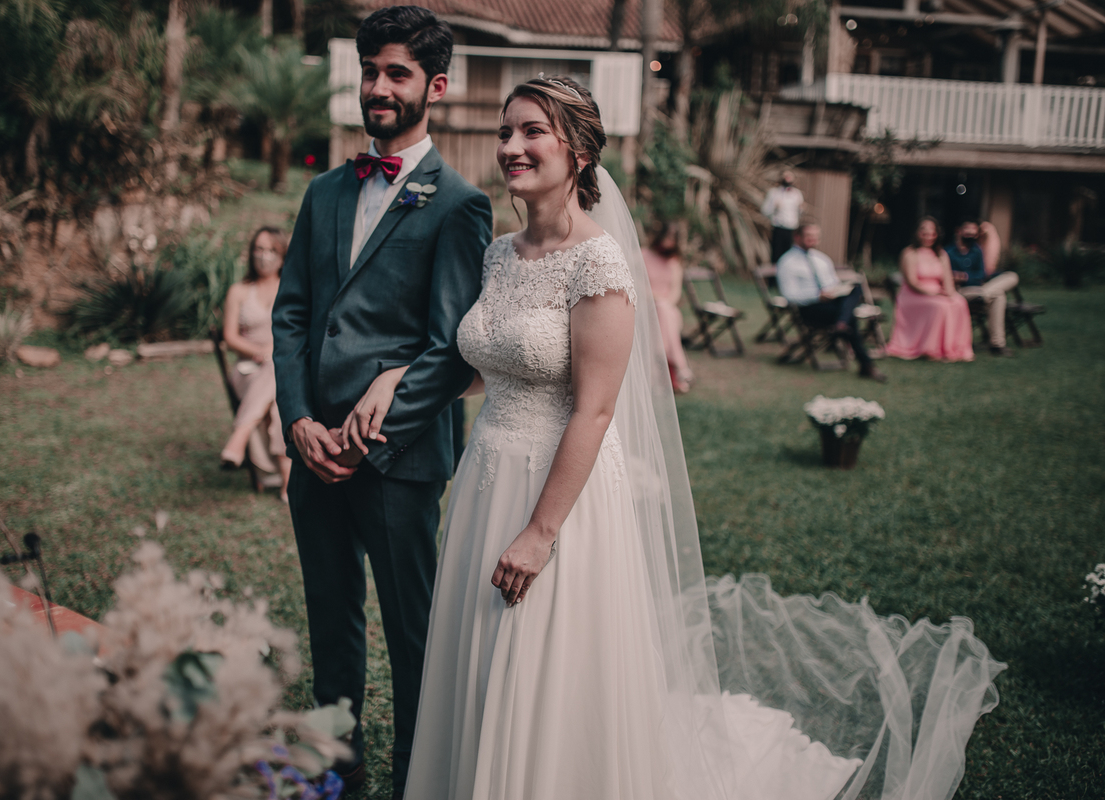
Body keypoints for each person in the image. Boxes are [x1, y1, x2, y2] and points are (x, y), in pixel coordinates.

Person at [349, 76, 1003, 800]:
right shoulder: (499, 254)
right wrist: (398, 376)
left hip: (559, 499)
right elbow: (496, 367)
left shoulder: (599, 263)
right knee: (482, 660)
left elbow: (593, 411)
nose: (512, 146)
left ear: (576, 147)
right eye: (507, 132)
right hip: (485, 483)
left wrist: (541, 531)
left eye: (532, 131)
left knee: (547, 667)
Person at [270, 7, 493, 799]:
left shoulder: (458, 204)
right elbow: (292, 310)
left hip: (397, 461)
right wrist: (299, 422)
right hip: (312, 452)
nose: (378, 87)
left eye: (396, 73)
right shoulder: (326, 190)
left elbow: (452, 345)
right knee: (331, 621)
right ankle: (336, 765)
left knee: (411, 634)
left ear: (434, 85)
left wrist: (371, 431)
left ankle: (415, 778)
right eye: (370, 71)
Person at [220, 227, 293, 499]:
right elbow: (229, 337)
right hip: (248, 370)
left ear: (284, 256)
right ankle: (289, 480)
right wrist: (258, 351)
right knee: (278, 376)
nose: (264, 256)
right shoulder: (239, 291)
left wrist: (275, 352)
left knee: (279, 398)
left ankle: (240, 434)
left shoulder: (290, 289)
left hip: (281, 367)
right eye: (259, 249)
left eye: (272, 250)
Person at [777, 222, 886, 382]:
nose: (813, 240)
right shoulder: (787, 262)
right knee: (850, 319)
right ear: (797, 237)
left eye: (815, 237)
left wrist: (835, 291)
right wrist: (816, 296)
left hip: (832, 303)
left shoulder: (822, 259)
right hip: (810, 308)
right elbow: (789, 295)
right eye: (809, 236)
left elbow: (833, 283)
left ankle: (841, 324)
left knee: (856, 288)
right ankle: (864, 362)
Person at [886, 217, 974, 362]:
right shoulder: (909, 253)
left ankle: (954, 348)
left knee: (960, 302)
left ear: (936, 235)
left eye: (932, 233)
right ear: (917, 233)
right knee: (939, 306)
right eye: (924, 232)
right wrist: (933, 293)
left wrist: (950, 294)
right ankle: (931, 349)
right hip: (914, 295)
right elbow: (912, 282)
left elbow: (947, 280)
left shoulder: (941, 254)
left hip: (938, 292)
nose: (928, 236)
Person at [947, 219, 1018, 356]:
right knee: (998, 295)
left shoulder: (977, 251)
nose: (971, 234)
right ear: (959, 231)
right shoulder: (948, 252)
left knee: (1012, 276)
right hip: (961, 292)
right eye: (968, 230)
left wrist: (964, 276)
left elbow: (981, 275)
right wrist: (965, 278)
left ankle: (985, 294)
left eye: (974, 231)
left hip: (980, 290)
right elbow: (948, 276)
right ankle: (997, 345)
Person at [641, 220, 692, 393]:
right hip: (646, 307)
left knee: (664, 311)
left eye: (673, 237)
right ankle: (679, 368)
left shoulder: (674, 263)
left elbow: (675, 293)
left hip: (667, 310)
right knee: (662, 310)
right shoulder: (643, 255)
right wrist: (658, 300)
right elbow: (639, 287)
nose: (669, 240)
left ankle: (664, 364)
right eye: (667, 235)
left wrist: (664, 302)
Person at [762, 169, 806, 263]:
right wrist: (774, 207)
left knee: (789, 255)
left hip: (791, 228)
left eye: (790, 176)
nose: (788, 178)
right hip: (779, 227)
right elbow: (765, 211)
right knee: (777, 254)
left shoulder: (797, 194)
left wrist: (801, 209)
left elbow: (800, 212)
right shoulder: (774, 193)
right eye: (785, 176)